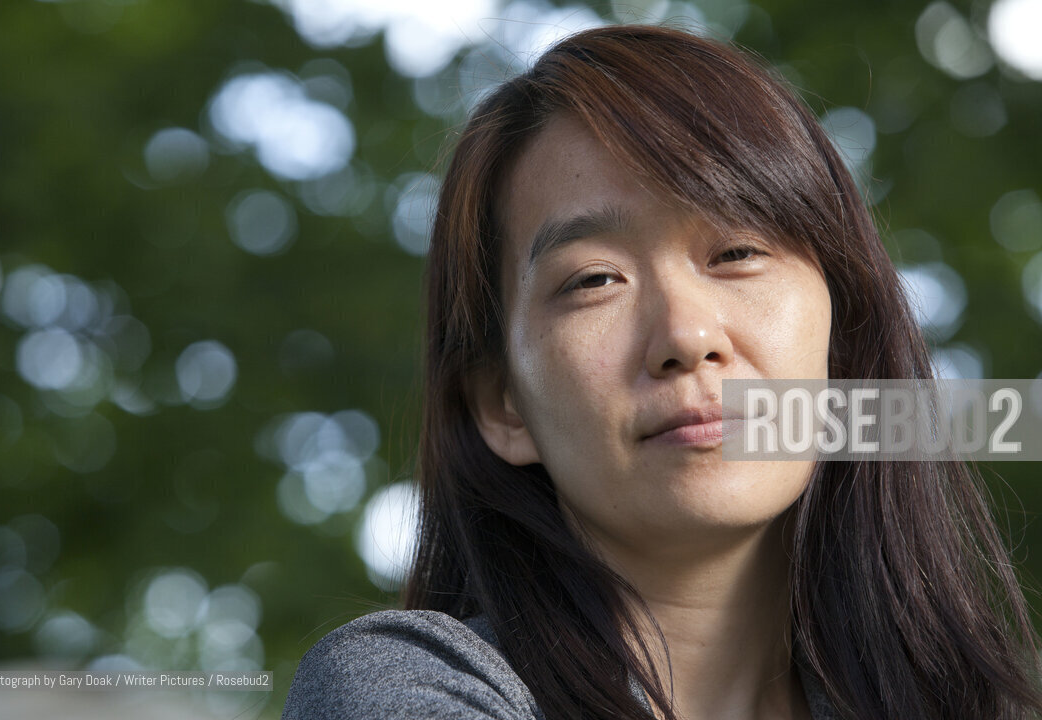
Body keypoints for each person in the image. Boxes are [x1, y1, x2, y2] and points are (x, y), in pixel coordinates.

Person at [282, 24, 1042, 720]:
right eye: (594, 281)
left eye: (737, 252)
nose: (686, 336)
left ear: (841, 347)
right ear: (502, 405)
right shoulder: (404, 686)